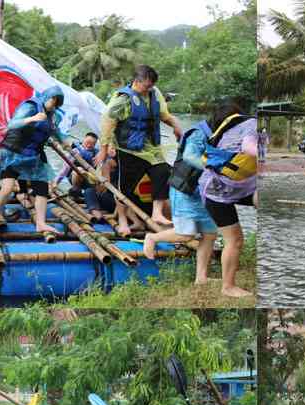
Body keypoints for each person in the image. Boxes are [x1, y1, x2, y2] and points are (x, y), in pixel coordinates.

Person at [96, 65, 182, 229]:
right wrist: (104, 150)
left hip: (151, 148)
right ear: (136, 81)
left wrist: (176, 126)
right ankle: (122, 220)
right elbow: (107, 123)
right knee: (124, 188)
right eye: (147, 85)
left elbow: (163, 114)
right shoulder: (123, 99)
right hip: (128, 149)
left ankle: (157, 213)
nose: (149, 88)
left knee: (162, 171)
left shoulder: (154, 93)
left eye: (152, 85)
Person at [142, 116, 217, 281]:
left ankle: (201, 278)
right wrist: (214, 167)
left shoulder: (219, 135)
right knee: (186, 235)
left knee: (210, 234)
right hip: (184, 190)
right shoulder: (198, 133)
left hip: (202, 192)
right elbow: (190, 156)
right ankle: (152, 237)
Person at [0, 85, 70, 236]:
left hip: (34, 155)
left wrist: (67, 143)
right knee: (7, 189)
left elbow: (57, 132)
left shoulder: (53, 115)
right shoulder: (30, 106)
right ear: (46, 97)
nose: (54, 103)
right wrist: (31, 119)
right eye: (52, 99)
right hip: (14, 151)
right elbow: (11, 124)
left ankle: (41, 223)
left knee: (42, 188)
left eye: (57, 101)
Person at [198, 99, 257, 298]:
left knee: (235, 239)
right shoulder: (250, 124)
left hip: (220, 188)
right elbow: (250, 148)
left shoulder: (223, 132)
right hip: (217, 191)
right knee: (235, 239)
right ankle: (228, 287)